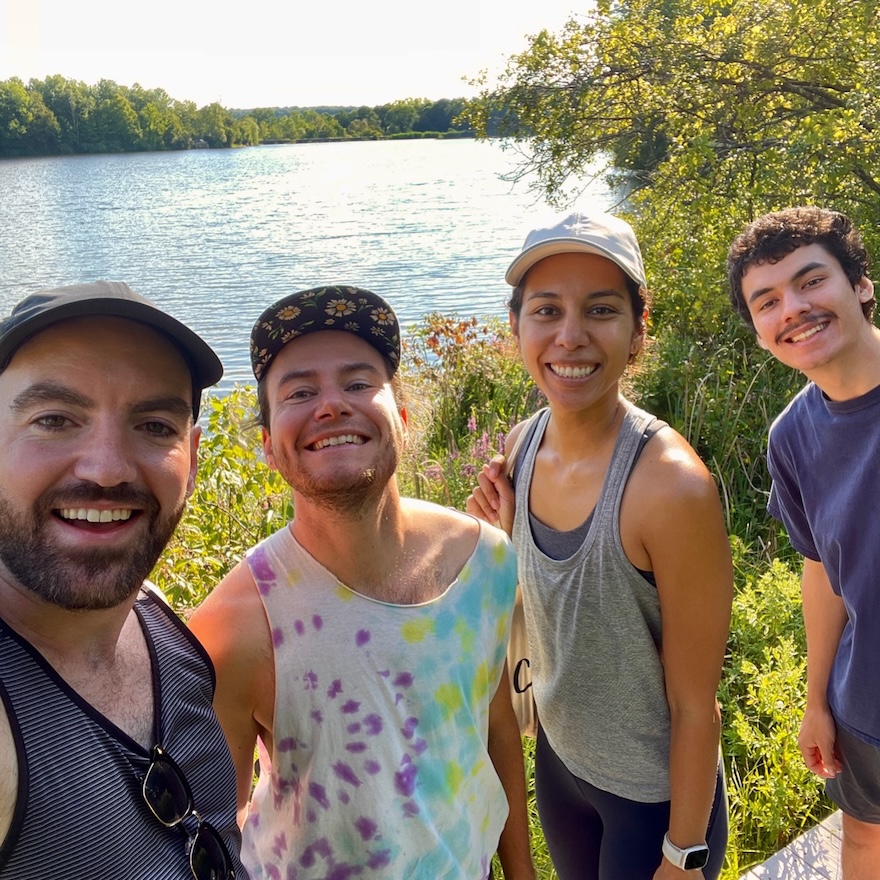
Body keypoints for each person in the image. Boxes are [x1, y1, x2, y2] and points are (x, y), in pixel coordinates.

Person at [189, 285, 534, 880]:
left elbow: (496, 729)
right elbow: (216, 835)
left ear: (400, 418)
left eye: (357, 383)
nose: (331, 406)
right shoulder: (238, 626)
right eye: (299, 392)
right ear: (268, 446)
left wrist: (522, 873)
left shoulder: (486, 564)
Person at [466, 211, 733, 879]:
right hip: (561, 765)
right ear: (516, 329)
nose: (570, 336)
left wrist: (684, 853)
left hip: (655, 798)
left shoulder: (672, 489)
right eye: (547, 310)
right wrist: (499, 538)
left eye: (601, 310)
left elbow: (698, 705)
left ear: (640, 332)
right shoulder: (522, 445)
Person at [0, 281, 247, 879]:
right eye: (55, 419)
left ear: (191, 457)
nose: (108, 468)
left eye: (155, 426)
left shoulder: (155, 617)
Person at [728, 206, 880, 879]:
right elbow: (819, 572)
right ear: (760, 330)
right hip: (866, 704)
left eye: (811, 281)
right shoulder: (791, 436)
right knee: (866, 844)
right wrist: (817, 702)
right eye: (767, 301)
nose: (793, 308)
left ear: (861, 284)